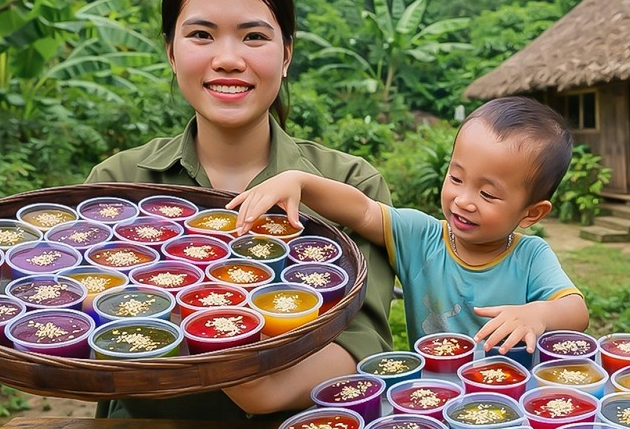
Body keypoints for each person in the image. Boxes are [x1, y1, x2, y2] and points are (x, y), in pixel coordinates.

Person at [86, 0, 395, 419]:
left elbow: (362, 346)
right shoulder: (118, 184)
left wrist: (231, 362)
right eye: (201, 35)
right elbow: (86, 339)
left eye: (254, 37)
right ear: (171, 52)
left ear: (287, 54)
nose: (228, 59)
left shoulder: (350, 186)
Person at [230, 96, 589, 356]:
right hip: (431, 394)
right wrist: (302, 181)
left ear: (531, 214)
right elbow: (363, 211)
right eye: (456, 178)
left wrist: (538, 314)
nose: (464, 200)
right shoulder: (422, 236)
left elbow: (576, 310)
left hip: (508, 402)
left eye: (488, 194)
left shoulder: (530, 256)